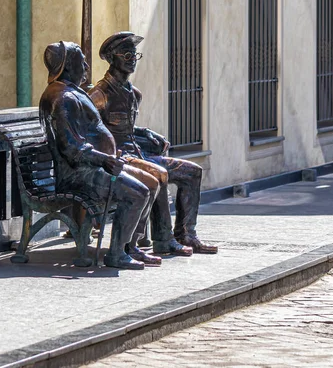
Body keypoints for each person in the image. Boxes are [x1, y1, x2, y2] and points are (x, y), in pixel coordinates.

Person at [89, 32, 218, 254]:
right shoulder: (99, 95)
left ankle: (187, 234)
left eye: (134, 55)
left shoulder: (133, 94)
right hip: (120, 160)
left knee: (192, 172)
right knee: (158, 173)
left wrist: (146, 133)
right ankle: (163, 239)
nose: (131, 59)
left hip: (139, 154)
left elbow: (125, 129)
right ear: (112, 58)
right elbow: (94, 133)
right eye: (126, 54)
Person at [39, 41, 162, 269]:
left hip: (95, 166)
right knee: (137, 193)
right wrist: (103, 158)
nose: (86, 65)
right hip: (79, 174)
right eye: (80, 61)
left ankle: (129, 246)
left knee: (151, 182)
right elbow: (72, 149)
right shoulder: (63, 98)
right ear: (68, 65)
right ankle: (116, 254)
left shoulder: (71, 91)